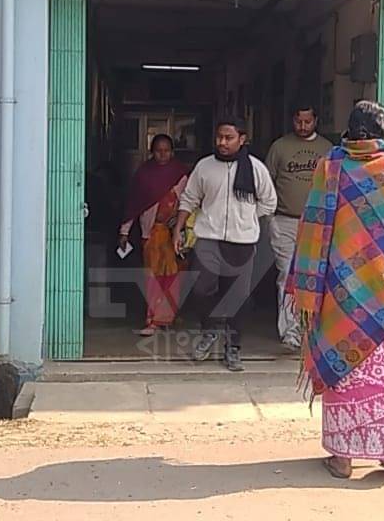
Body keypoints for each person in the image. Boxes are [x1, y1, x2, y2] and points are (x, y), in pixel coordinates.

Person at [286, 100, 384, 479]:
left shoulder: (331, 169)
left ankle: (343, 457)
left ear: (348, 130)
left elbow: (312, 229)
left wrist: (307, 289)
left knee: (347, 373)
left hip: (341, 295)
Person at [174, 119, 278, 372]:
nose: (222, 142)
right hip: (208, 239)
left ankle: (233, 348)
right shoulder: (204, 167)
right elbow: (189, 198)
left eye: (228, 137)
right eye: (219, 137)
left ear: (242, 139)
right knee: (201, 289)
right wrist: (178, 228)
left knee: (237, 297)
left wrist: (248, 220)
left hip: (242, 242)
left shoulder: (255, 169)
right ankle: (208, 331)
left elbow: (269, 202)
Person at [265, 102, 332, 349]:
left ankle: (312, 331)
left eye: (307, 121)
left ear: (316, 120)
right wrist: (268, 217)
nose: (303, 126)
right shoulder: (280, 147)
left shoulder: (327, 149)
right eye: (298, 122)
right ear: (292, 120)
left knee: (315, 277)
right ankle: (290, 332)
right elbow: (266, 183)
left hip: (317, 223)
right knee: (286, 276)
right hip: (284, 220)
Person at [119, 134, 191, 336]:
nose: (162, 154)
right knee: (153, 278)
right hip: (150, 233)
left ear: (173, 152)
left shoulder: (181, 174)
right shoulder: (144, 174)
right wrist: (124, 232)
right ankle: (153, 319)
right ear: (152, 151)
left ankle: (168, 317)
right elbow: (133, 204)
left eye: (166, 150)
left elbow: (190, 201)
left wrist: (179, 222)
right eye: (158, 150)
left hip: (175, 234)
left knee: (174, 277)